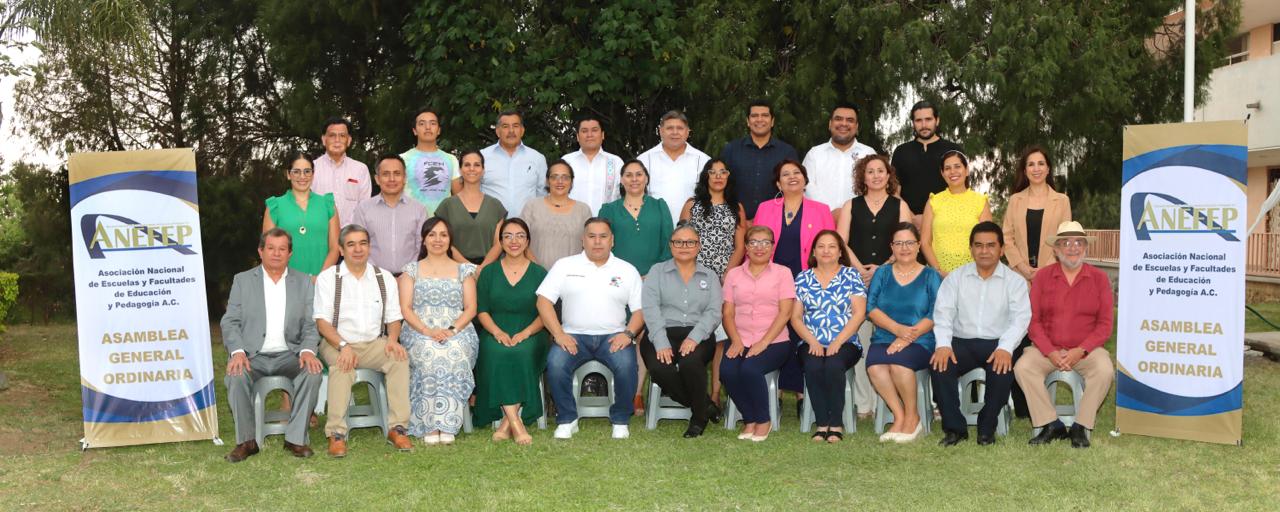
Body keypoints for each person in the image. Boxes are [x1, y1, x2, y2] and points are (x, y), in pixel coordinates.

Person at [537, 218, 646, 440]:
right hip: (573, 335)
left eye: (603, 236)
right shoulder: (565, 265)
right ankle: (567, 419)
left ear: (612, 240)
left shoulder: (627, 270)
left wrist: (628, 334)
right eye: (592, 236)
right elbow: (543, 301)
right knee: (555, 364)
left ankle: (620, 420)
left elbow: (640, 311)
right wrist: (558, 334)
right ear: (582, 240)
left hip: (614, 336)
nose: (597, 242)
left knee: (627, 366)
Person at [221, 229, 324, 462]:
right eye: (271, 248)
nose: (276, 254)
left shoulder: (304, 282)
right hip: (253, 356)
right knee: (235, 375)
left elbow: (311, 324)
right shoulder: (243, 280)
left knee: (313, 371)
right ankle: (247, 441)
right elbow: (230, 321)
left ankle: (296, 438)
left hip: (291, 354)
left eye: (282, 249)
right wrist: (237, 352)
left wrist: (308, 350)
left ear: (290, 253)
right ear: (261, 251)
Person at [313, 225, 413, 457]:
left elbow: (394, 317)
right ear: (340, 249)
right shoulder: (329, 278)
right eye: (351, 244)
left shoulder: (384, 277)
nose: (358, 249)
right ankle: (336, 434)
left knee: (398, 358)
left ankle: (398, 428)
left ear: (369, 247)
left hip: (373, 342)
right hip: (336, 341)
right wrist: (343, 346)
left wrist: (393, 340)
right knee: (343, 364)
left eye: (363, 243)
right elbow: (323, 324)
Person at [929, 222, 1031, 447]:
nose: (984, 251)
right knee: (940, 365)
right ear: (971, 249)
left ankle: (987, 427)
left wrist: (1005, 348)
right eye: (979, 245)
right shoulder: (955, 278)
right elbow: (943, 314)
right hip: (961, 341)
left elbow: (1021, 319)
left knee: (1003, 368)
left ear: (1001, 249)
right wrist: (943, 345)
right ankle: (955, 428)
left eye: (991, 245)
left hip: (997, 342)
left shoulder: (1015, 282)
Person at [1015, 221, 1114, 449]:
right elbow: (1033, 321)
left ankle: (1081, 425)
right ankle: (1051, 424)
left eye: (1078, 242)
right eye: (1066, 243)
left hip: (1086, 350)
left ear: (1085, 248)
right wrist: (1049, 351)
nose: (1073, 247)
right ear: (1056, 249)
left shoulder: (1099, 278)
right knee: (1023, 367)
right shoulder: (1042, 277)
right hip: (1047, 349)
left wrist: (1081, 350)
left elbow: (1105, 324)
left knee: (1105, 370)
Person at [748, 159, 836, 398]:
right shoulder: (766, 208)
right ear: (778, 183)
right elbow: (754, 244)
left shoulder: (821, 209)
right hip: (771, 279)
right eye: (785, 174)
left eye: (797, 173)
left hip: (807, 279)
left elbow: (831, 246)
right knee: (774, 328)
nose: (792, 177)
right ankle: (772, 392)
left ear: (805, 180)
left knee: (801, 330)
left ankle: (801, 394)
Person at [836, 154, 913, 416]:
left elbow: (907, 242)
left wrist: (882, 267)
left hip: (890, 278)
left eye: (881, 171)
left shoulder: (900, 205)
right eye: (870, 171)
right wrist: (860, 269)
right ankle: (864, 403)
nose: (876, 176)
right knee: (860, 337)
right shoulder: (851, 205)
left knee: (885, 338)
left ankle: (888, 401)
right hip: (856, 278)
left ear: (888, 176)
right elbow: (841, 242)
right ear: (862, 176)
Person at [396, 218, 479, 445]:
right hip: (418, 329)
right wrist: (427, 330)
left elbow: (471, 308)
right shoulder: (411, 270)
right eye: (432, 234)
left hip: (458, 328)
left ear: (450, 239)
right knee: (429, 353)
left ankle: (448, 421)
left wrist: (452, 330)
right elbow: (405, 308)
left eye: (443, 234)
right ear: (423, 239)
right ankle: (429, 423)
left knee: (452, 352)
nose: (437, 240)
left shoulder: (464, 270)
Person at [640, 225, 723, 438]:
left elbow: (714, 312)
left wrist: (694, 338)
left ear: (699, 246)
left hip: (699, 334)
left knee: (690, 363)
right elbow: (650, 308)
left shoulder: (710, 275)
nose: (684, 246)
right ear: (671, 245)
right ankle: (704, 405)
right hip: (661, 331)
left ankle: (698, 418)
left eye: (690, 242)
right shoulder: (657, 272)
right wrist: (660, 341)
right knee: (660, 368)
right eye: (678, 242)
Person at [865, 222, 942, 443]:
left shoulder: (930, 275)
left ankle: (913, 417)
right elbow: (871, 308)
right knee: (876, 366)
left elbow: (936, 312)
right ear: (892, 247)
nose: (904, 248)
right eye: (898, 243)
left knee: (899, 363)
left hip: (921, 340)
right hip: (885, 336)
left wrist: (908, 336)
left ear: (919, 246)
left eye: (909, 242)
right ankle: (899, 417)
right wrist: (898, 330)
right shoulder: (882, 273)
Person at [473, 218, 548, 445]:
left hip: (531, 331)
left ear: (528, 241)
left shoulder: (540, 273)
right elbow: (482, 310)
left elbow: (545, 313)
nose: (514, 241)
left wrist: (525, 333)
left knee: (522, 352)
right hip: (495, 330)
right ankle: (515, 423)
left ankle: (508, 423)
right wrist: (496, 332)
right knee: (497, 352)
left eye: (520, 236)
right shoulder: (489, 273)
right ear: (500, 241)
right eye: (507, 236)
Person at [720, 226, 797, 442]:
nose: (759, 247)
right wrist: (735, 340)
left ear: (773, 247)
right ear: (745, 247)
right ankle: (750, 418)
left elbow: (785, 313)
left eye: (765, 242)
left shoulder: (783, 273)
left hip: (774, 341)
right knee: (727, 371)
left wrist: (763, 343)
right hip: (740, 337)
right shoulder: (734, 274)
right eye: (754, 242)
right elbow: (727, 312)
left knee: (750, 368)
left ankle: (763, 420)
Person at [790, 230, 866, 443]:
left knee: (833, 365)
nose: (826, 251)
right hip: (810, 340)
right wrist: (812, 341)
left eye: (832, 246)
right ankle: (822, 423)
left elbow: (859, 313)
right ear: (813, 251)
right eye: (821, 246)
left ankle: (836, 423)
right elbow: (795, 317)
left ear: (840, 251)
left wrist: (838, 342)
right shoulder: (803, 277)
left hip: (846, 342)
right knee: (813, 366)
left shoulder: (851, 275)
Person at [719, 100, 799, 220]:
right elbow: (719, 185)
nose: (759, 119)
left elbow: (795, 189)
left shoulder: (787, 152)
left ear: (772, 121)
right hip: (735, 222)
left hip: (775, 222)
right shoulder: (731, 150)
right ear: (748, 121)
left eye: (765, 115)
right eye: (754, 115)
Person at [1002, 146, 1072, 281]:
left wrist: (1045, 269)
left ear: (1048, 169)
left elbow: (1064, 239)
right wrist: (1022, 267)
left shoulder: (1062, 201)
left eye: (1041, 163)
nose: (1036, 169)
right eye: (1031, 164)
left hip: (1052, 273)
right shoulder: (1015, 200)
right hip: (1019, 275)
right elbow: (1007, 238)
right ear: (1025, 170)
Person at [262, 152, 339, 275]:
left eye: (307, 171)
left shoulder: (327, 204)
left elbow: (335, 248)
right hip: (287, 283)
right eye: (296, 171)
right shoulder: (274, 206)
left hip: (322, 283)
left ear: (313, 174)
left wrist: (320, 278)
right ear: (288, 174)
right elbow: (269, 250)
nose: (302, 176)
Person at [351, 154, 429, 274]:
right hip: (372, 278)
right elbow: (358, 247)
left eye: (397, 174)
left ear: (404, 178)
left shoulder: (419, 210)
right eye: (386, 174)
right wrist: (378, 275)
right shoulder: (363, 209)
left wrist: (409, 274)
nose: (392, 179)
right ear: (377, 179)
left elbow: (422, 246)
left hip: (410, 279)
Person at [921, 150, 992, 276]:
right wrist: (938, 271)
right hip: (939, 276)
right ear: (942, 173)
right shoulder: (933, 202)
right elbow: (925, 242)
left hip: (973, 275)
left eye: (957, 166)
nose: (952, 172)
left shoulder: (980, 201)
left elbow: (987, 241)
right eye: (947, 168)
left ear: (966, 170)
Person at [890, 101, 961, 226]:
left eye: (928, 119)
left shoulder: (953, 150)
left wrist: (932, 218)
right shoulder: (901, 151)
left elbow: (960, 189)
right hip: (908, 223)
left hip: (946, 221)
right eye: (918, 120)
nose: (924, 125)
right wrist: (912, 218)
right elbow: (894, 191)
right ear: (913, 123)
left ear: (937, 120)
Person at [598, 160, 673, 276]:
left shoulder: (659, 206)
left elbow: (668, 244)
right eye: (628, 175)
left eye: (639, 174)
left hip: (654, 278)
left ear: (646, 179)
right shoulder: (608, 210)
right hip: (617, 277)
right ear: (622, 180)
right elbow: (601, 246)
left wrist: (655, 275)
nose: (634, 179)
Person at [433, 150, 508, 265]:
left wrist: (482, 268)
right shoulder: (447, 205)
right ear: (460, 170)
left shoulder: (495, 206)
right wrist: (469, 268)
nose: (472, 169)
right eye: (467, 165)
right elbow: (445, 242)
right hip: (455, 269)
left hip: (488, 270)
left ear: (483, 170)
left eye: (477, 165)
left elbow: (498, 244)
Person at [802, 102, 878, 217]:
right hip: (819, 220)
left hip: (860, 221)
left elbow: (876, 187)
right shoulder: (814, 154)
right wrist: (829, 212)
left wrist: (849, 214)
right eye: (838, 119)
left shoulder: (868, 153)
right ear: (830, 124)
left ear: (857, 127)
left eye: (850, 120)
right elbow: (806, 185)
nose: (843, 123)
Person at [639, 110, 710, 226]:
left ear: (687, 132)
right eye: (670, 128)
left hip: (693, 232)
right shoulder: (644, 160)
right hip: (653, 228)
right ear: (660, 131)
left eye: (680, 128)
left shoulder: (703, 161)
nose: (675, 132)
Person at [679, 159, 747, 279]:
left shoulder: (737, 208)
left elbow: (740, 247)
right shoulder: (691, 205)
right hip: (692, 273)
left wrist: (726, 275)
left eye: (723, 172)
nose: (718, 176)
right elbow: (680, 241)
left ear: (728, 176)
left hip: (723, 276)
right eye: (712, 172)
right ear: (706, 176)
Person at [521, 160, 592, 267]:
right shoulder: (532, 206)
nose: (560, 181)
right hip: (536, 275)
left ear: (571, 182)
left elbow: (589, 245)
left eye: (565, 177)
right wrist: (537, 271)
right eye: (554, 177)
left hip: (572, 276)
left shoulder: (583, 210)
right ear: (547, 181)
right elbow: (521, 241)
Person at [481, 110, 548, 217]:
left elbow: (543, 195)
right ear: (497, 131)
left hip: (527, 227)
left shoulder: (537, 158)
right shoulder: (482, 157)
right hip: (491, 227)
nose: (511, 130)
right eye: (505, 126)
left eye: (515, 126)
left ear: (522, 130)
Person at [311, 117, 371, 227]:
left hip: (350, 237)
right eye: (332, 135)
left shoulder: (361, 169)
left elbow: (364, 208)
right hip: (319, 234)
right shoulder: (311, 169)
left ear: (349, 141)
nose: (337, 140)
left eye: (342, 136)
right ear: (324, 140)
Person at [401, 108, 462, 215]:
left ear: (438, 130)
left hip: (443, 225)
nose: (428, 127)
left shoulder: (451, 159)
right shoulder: (402, 159)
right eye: (422, 123)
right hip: (410, 223)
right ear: (414, 130)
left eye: (433, 123)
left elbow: (459, 197)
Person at [564, 115, 625, 213]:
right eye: (584, 131)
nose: (589, 135)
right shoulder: (566, 162)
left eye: (594, 130)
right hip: (571, 223)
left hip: (606, 224)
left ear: (603, 135)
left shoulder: (616, 162)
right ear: (578, 137)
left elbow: (625, 195)